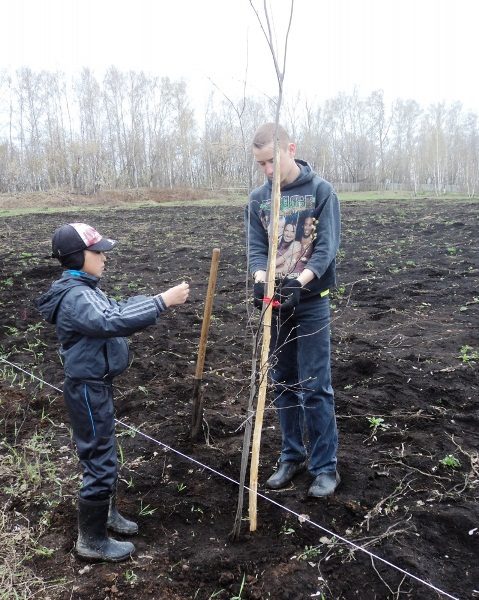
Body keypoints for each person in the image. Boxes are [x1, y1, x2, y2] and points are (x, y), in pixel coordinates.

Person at [36, 222, 189, 561]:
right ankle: (91, 541)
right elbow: (111, 321)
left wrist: (150, 300)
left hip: (96, 385)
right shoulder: (77, 296)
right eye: (98, 251)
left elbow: (116, 308)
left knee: (105, 449)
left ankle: (106, 513)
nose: (104, 257)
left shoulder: (85, 287)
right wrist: (161, 302)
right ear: (77, 257)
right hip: (87, 390)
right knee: (99, 458)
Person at [245, 123, 341, 497]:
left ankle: (324, 467)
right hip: (275, 305)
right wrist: (259, 278)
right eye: (260, 164)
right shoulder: (258, 199)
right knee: (281, 382)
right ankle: (292, 455)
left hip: (311, 303)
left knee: (316, 386)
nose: (267, 171)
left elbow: (326, 248)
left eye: (271, 161)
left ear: (290, 149)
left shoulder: (321, 191)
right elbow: (255, 246)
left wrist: (298, 282)